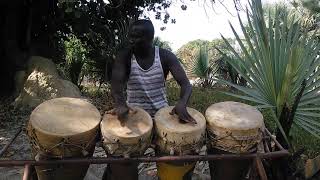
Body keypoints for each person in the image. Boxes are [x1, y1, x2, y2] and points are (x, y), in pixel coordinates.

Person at [104, 19, 196, 180]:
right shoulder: (125, 56)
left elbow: (186, 85)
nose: (131, 40)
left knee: (173, 160)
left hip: (161, 117)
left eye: (137, 37)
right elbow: (116, 83)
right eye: (130, 36)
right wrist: (120, 103)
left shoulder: (165, 56)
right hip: (134, 117)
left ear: (149, 38)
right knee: (122, 163)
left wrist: (182, 103)